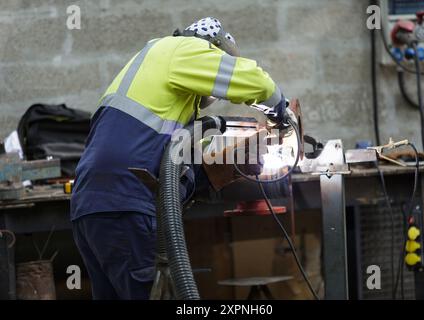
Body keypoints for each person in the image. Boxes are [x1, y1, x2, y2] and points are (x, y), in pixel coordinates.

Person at [70, 17, 289, 299]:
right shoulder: (182, 50)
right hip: (125, 203)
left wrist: (224, 164)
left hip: (91, 208)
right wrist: (279, 110)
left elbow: (172, 170)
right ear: (212, 50)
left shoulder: (155, 81)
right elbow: (254, 80)